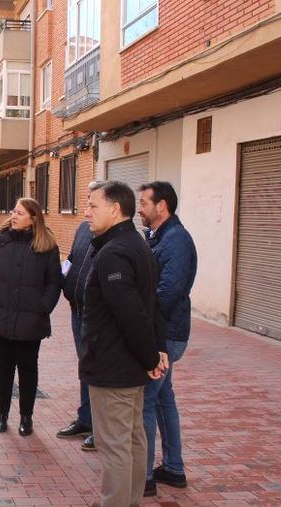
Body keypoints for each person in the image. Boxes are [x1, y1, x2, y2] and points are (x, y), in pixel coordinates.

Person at [79, 180, 168, 507]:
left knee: (115, 445)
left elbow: (132, 312)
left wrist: (151, 356)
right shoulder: (135, 244)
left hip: (114, 365)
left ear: (115, 209)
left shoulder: (115, 252)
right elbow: (151, 305)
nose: (86, 212)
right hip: (129, 364)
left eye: (93, 205)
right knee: (132, 439)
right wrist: (155, 352)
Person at [0, 197, 62, 437]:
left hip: (31, 319)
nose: (14, 216)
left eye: (20, 213)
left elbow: (54, 282)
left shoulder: (46, 246)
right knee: (3, 367)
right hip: (0, 316)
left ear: (33, 218)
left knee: (28, 368)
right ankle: (1, 415)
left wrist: (43, 307)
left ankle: (27, 417)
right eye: (14, 211)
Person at [138, 181, 197, 497]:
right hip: (166, 332)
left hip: (167, 335)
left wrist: (142, 320)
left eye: (144, 202)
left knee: (147, 399)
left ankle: (144, 476)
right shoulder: (160, 236)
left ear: (162, 206)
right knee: (163, 397)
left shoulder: (175, 240)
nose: (140, 207)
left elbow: (168, 292)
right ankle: (173, 468)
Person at [56, 218, 97, 451]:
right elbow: (72, 258)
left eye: (92, 204)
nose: (87, 210)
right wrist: (61, 281)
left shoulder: (112, 238)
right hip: (77, 309)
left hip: (94, 315)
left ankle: (100, 429)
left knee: (98, 370)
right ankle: (85, 419)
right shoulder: (84, 228)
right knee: (85, 367)